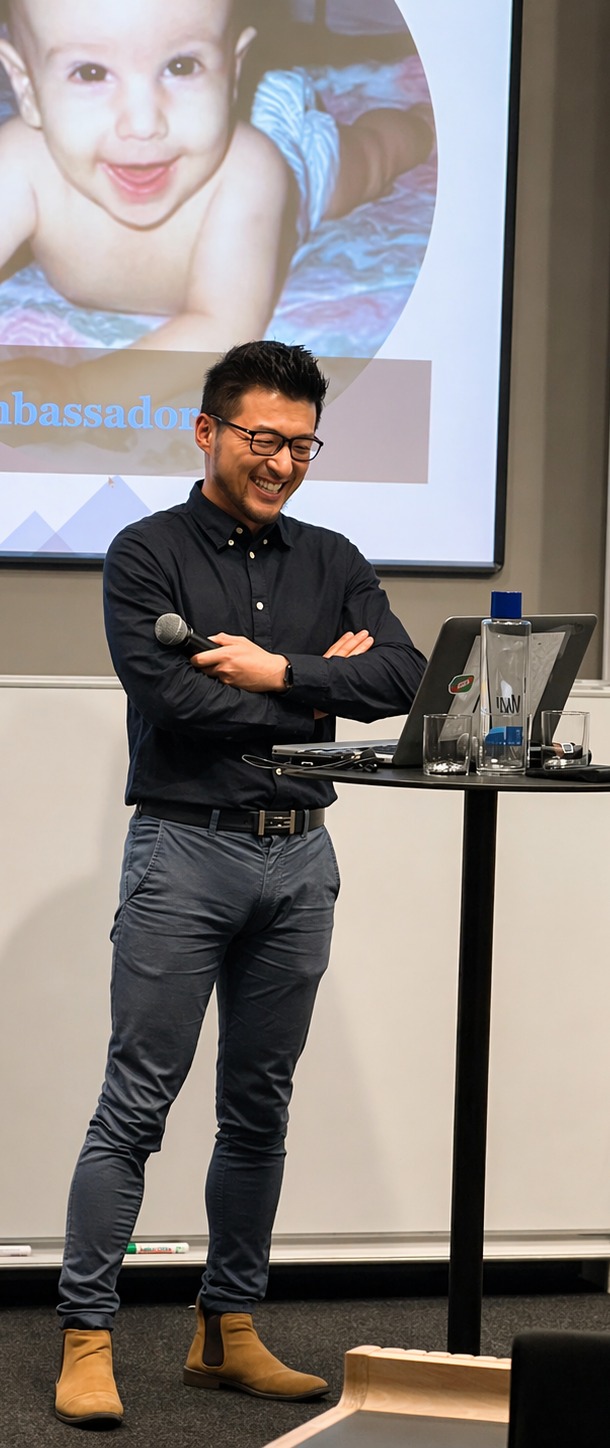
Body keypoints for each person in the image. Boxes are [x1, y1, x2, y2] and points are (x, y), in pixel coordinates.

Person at [54, 338, 427, 1428]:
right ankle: (85, 1334)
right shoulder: (146, 553)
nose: (283, 462)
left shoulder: (333, 555)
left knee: (259, 1106)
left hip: (300, 853)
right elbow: (171, 697)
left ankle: (227, 1330)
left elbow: (404, 674)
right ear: (208, 431)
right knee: (136, 1103)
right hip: (185, 848)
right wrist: (322, 690)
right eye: (265, 438)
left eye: (303, 444)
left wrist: (275, 670)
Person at [0, 0, 433, 353]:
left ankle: (423, 125)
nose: (144, 123)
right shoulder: (21, 162)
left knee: (368, 161)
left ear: (233, 68)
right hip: (204, 137)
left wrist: (82, 391)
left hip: (287, 160)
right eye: (91, 73)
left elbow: (223, 326)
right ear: (25, 86)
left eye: (181, 66)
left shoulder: (250, 173)